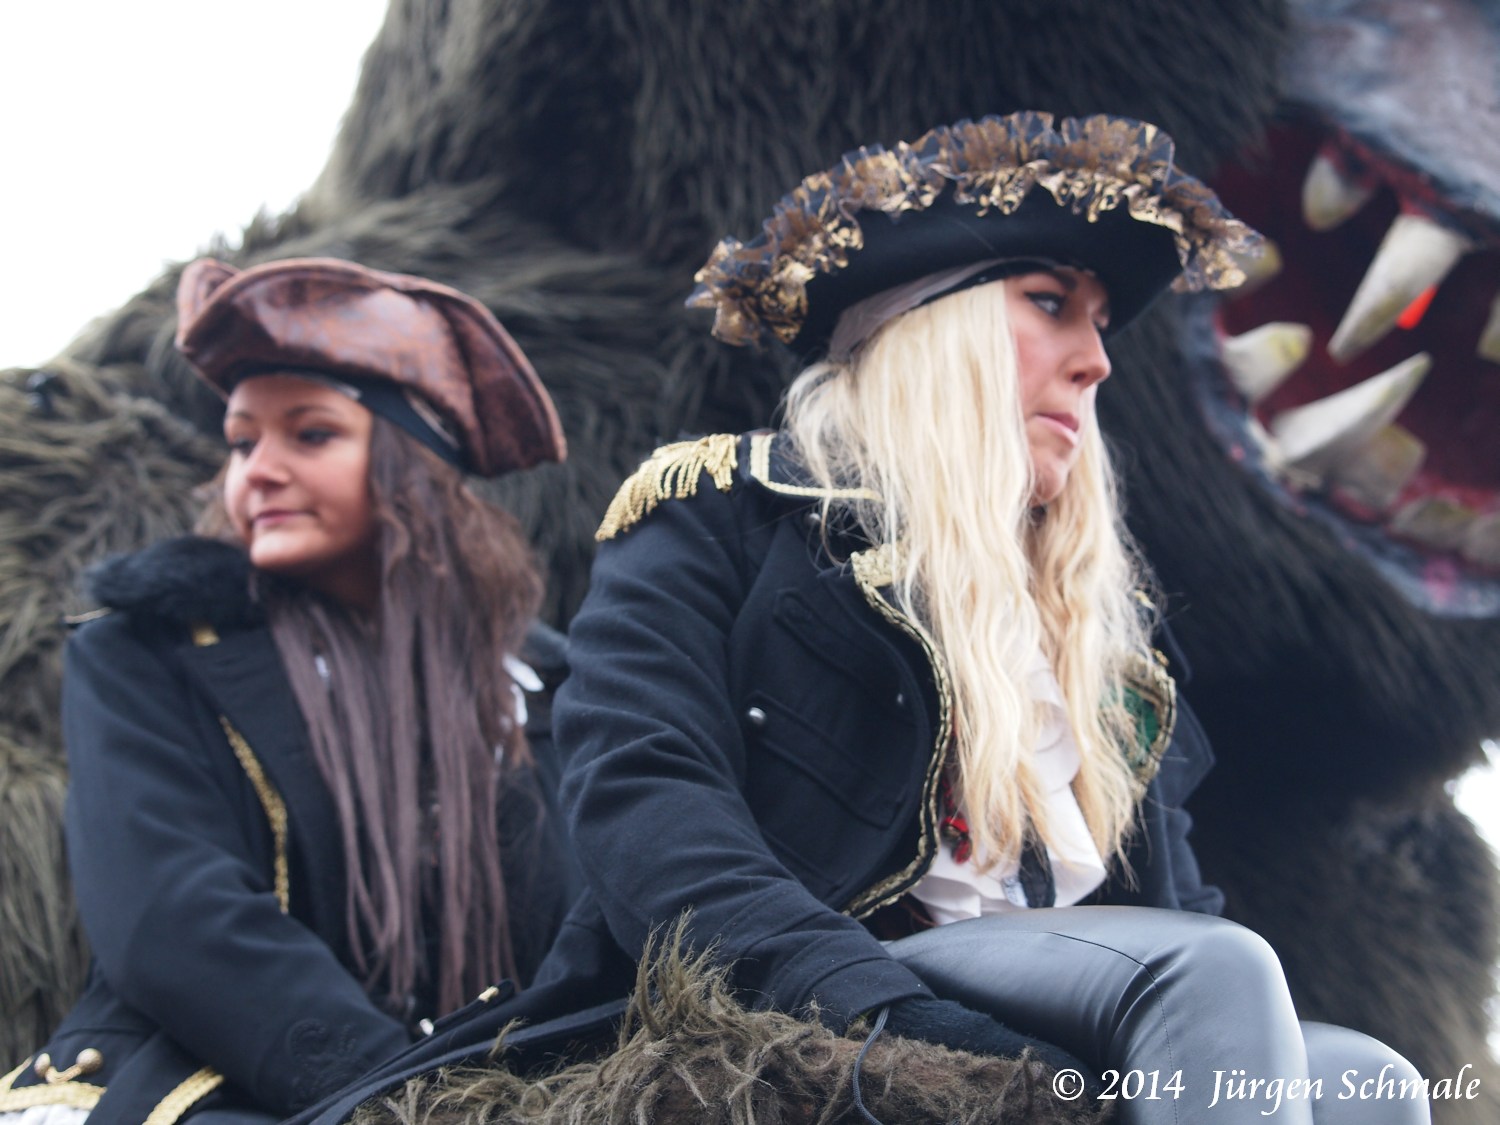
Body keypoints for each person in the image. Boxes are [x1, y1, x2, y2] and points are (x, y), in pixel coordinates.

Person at [547, 112, 1432, 1123]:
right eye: (1051, 303)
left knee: (1365, 1081)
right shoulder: (720, 518)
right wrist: (902, 1020)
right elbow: (647, 805)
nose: (1096, 361)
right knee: (1205, 972)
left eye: (1100, 324)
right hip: (812, 988)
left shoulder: (1108, 634)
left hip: (1079, 997)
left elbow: (1171, 907)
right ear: (932, 330)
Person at [0, 258, 572, 1125]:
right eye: (242, 442)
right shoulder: (142, 655)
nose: (257, 471)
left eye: (309, 434)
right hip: (201, 1093)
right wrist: (413, 1101)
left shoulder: (540, 685)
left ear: (413, 470)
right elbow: (172, 920)